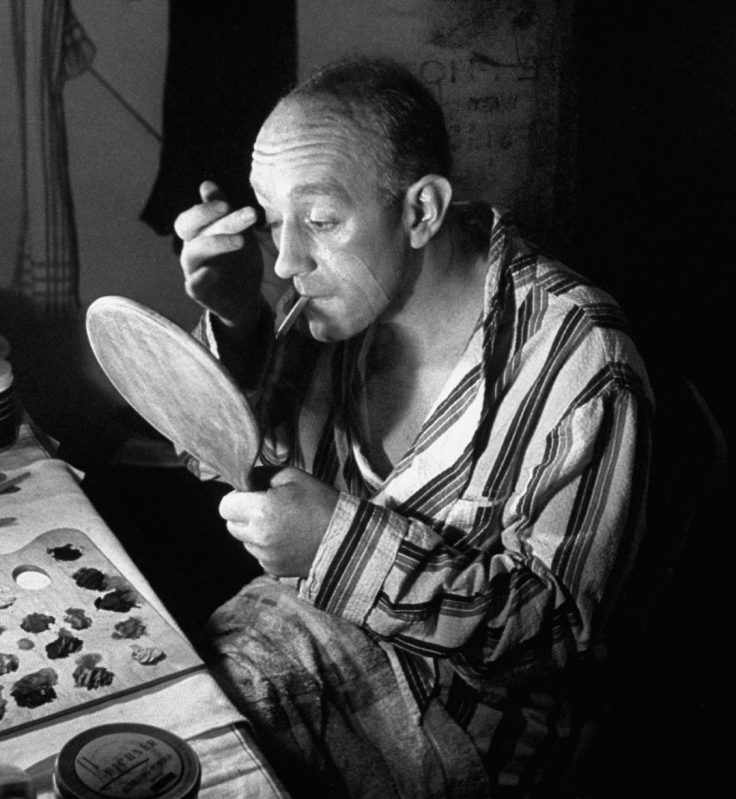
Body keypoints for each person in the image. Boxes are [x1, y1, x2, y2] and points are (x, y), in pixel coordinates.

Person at [172, 56, 653, 798]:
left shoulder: (582, 362)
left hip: (476, 727)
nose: (290, 259)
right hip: (306, 641)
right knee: (160, 720)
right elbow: (238, 457)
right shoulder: (334, 304)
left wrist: (338, 543)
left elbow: (555, 636)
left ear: (422, 210)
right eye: (273, 222)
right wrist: (239, 321)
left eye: (322, 220)